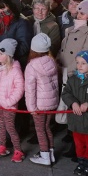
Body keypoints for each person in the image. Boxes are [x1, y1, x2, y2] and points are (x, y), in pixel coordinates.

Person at [0, 38, 25, 162]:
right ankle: (2, 147)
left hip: (9, 106)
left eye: (1, 54)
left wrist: (9, 101)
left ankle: (18, 150)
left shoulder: (15, 70)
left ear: (8, 55)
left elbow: (20, 88)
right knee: (1, 126)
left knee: (10, 127)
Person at [25, 33, 59, 166]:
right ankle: (50, 155)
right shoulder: (51, 61)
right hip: (51, 102)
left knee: (40, 130)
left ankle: (44, 156)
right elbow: (55, 83)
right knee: (46, 128)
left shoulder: (32, 66)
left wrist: (31, 108)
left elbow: (30, 89)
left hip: (39, 104)